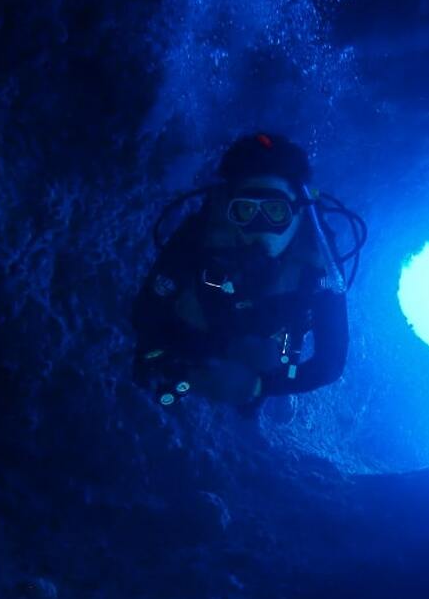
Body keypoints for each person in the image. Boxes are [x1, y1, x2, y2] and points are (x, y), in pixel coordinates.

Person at [132, 133, 360, 411]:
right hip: (206, 332)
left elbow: (330, 364)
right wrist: (223, 349)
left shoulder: (319, 259)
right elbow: (144, 314)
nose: (260, 228)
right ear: (228, 211)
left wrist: (259, 386)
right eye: (245, 211)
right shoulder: (201, 234)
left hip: (269, 341)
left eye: (276, 211)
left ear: (299, 213)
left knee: (268, 364)